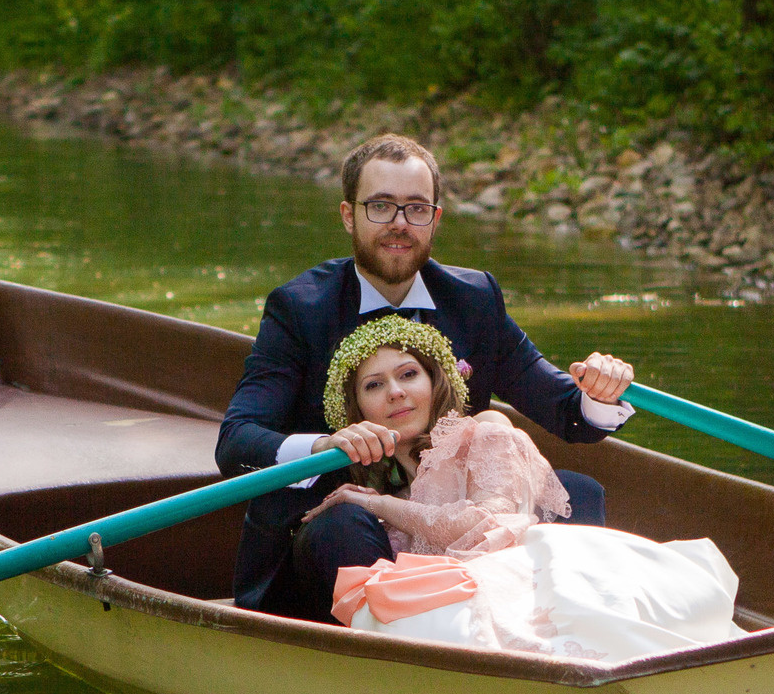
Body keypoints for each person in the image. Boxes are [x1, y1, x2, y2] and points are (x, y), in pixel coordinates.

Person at [217, 131, 640, 621]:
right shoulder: (298, 308)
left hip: (456, 529)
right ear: (348, 215)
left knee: (578, 494)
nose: (400, 224)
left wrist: (599, 392)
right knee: (345, 521)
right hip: (340, 536)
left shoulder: (474, 297)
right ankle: (385, 655)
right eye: (381, 206)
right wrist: (321, 448)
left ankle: (560, 629)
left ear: (435, 219)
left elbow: (567, 411)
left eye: (416, 208)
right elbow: (236, 443)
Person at [303, 318, 743, 659]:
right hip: (447, 606)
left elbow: (487, 526)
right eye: (375, 385)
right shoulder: (380, 493)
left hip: (515, 584)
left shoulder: (484, 431)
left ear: (435, 381)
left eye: (408, 374)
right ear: (357, 409)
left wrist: (378, 505)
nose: (396, 393)